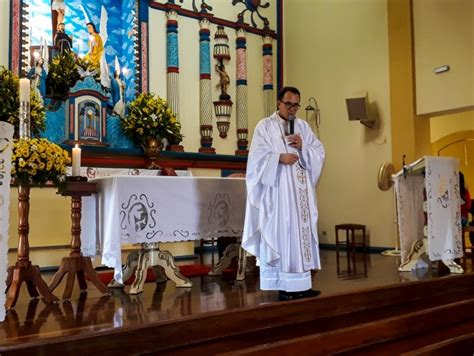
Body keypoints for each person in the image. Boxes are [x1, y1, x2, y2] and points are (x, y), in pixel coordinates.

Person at [242, 86, 325, 301]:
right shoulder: (265, 126)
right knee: (283, 234)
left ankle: (303, 285)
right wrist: (279, 157)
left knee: (301, 236)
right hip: (279, 193)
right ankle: (284, 287)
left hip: (301, 193)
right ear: (278, 103)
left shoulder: (303, 127)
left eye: (296, 105)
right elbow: (256, 158)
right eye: (288, 104)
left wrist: (304, 146)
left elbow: (319, 152)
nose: (292, 109)